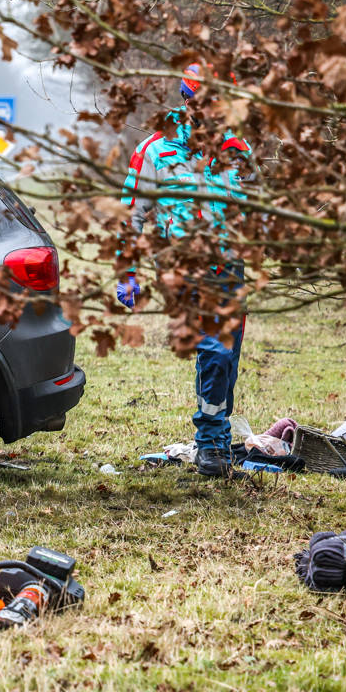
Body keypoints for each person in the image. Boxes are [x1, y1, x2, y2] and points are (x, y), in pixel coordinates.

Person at [118, 65, 252, 478]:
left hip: (231, 266)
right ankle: (211, 444)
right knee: (214, 350)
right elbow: (131, 212)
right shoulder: (157, 151)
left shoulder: (238, 150)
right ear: (188, 101)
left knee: (227, 358)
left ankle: (217, 438)